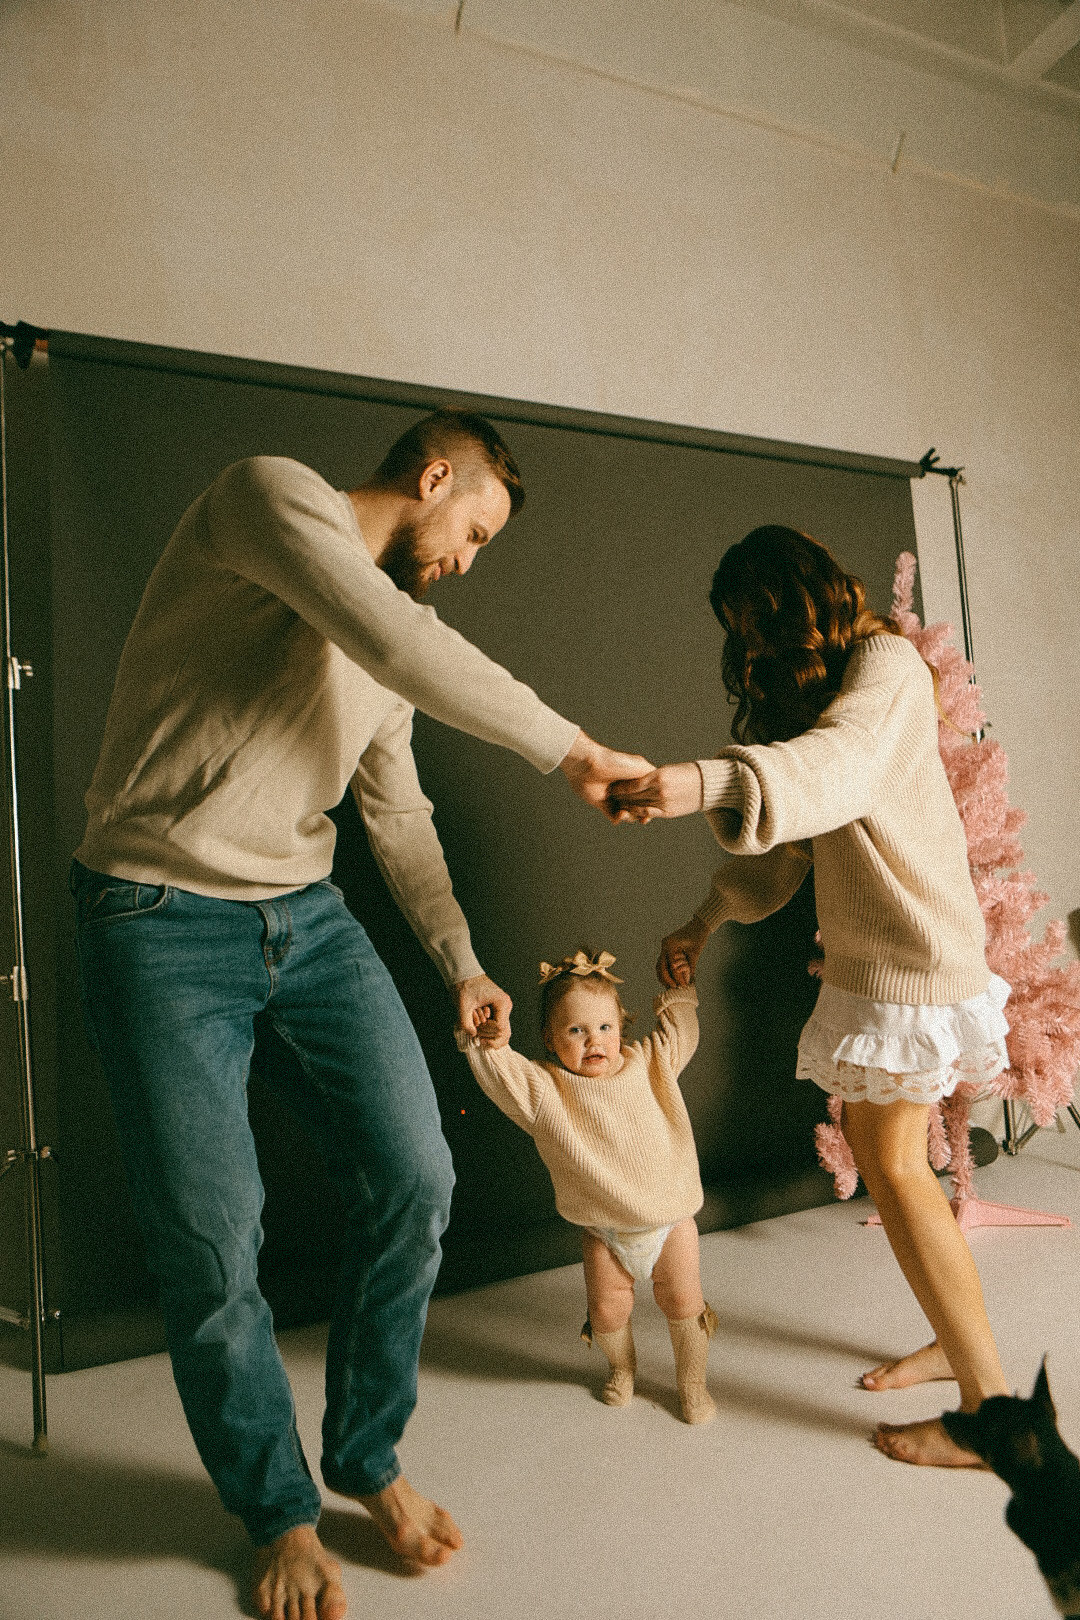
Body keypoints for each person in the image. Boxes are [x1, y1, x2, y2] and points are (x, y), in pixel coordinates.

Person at [70, 411, 652, 1620]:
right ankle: (279, 1512)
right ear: (433, 476)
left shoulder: (402, 644)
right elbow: (385, 628)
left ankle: (366, 1459)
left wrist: (462, 963)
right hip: (158, 914)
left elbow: (398, 816)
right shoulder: (267, 497)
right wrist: (575, 748)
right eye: (474, 528)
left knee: (416, 1175)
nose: (466, 560)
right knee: (213, 1235)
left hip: (306, 918)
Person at [611, 524, 1013, 1470]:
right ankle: (962, 1356)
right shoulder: (822, 698)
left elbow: (833, 770)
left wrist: (693, 782)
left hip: (913, 963)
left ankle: (993, 1414)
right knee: (895, 1168)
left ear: (801, 603)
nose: (747, 648)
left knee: (900, 1171)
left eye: (755, 623)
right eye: (735, 631)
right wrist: (703, 921)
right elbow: (789, 851)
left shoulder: (886, 672)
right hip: (881, 962)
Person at [457, 948, 718, 1424]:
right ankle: (622, 1367)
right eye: (576, 1031)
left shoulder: (650, 1063)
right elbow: (501, 1075)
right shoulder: (546, 1089)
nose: (593, 1040)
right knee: (606, 1309)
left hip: (670, 1219)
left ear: (622, 1028)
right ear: (551, 1040)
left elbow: (682, 1033)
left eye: (605, 1028)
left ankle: (692, 1380)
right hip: (605, 1231)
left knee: (683, 1300)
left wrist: (680, 993)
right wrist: (485, 1038)